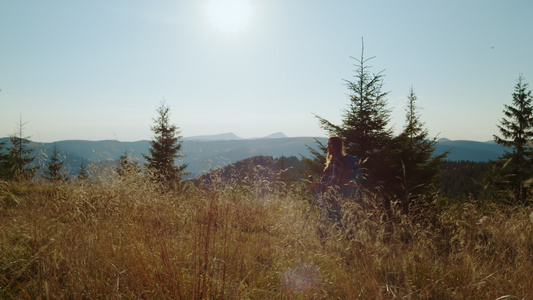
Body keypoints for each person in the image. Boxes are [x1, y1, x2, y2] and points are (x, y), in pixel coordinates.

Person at [310, 136, 346, 240]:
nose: (327, 146)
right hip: (331, 197)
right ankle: (344, 241)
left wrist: (317, 185)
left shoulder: (335, 161)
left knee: (327, 222)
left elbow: (333, 182)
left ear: (336, 146)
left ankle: (325, 244)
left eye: (330, 144)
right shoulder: (336, 159)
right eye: (327, 144)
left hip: (330, 197)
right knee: (336, 221)